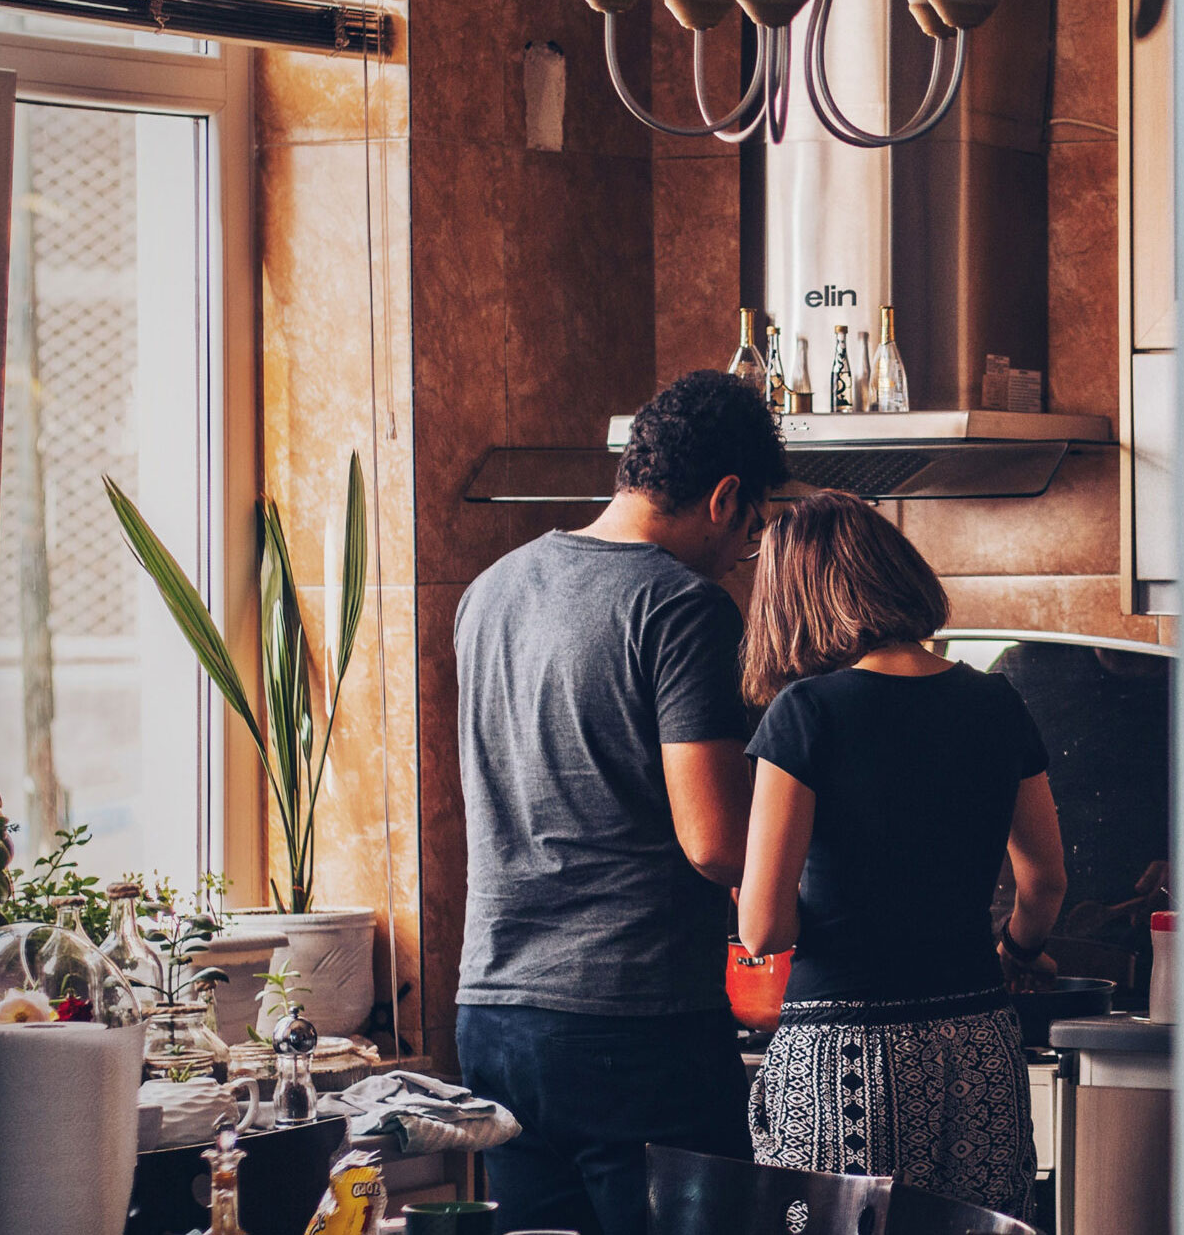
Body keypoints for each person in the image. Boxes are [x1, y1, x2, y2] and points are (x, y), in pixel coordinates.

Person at [453, 370, 789, 1235]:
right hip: (633, 1025)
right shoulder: (681, 606)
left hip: (492, 1013)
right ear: (725, 498)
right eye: (751, 535)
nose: (740, 558)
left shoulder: (489, 592)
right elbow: (715, 844)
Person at [736, 491, 1066, 1221]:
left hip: (845, 1056)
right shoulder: (996, 702)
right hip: (979, 1041)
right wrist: (1014, 950)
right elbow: (1043, 880)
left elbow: (763, 930)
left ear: (795, 600)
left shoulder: (807, 713)